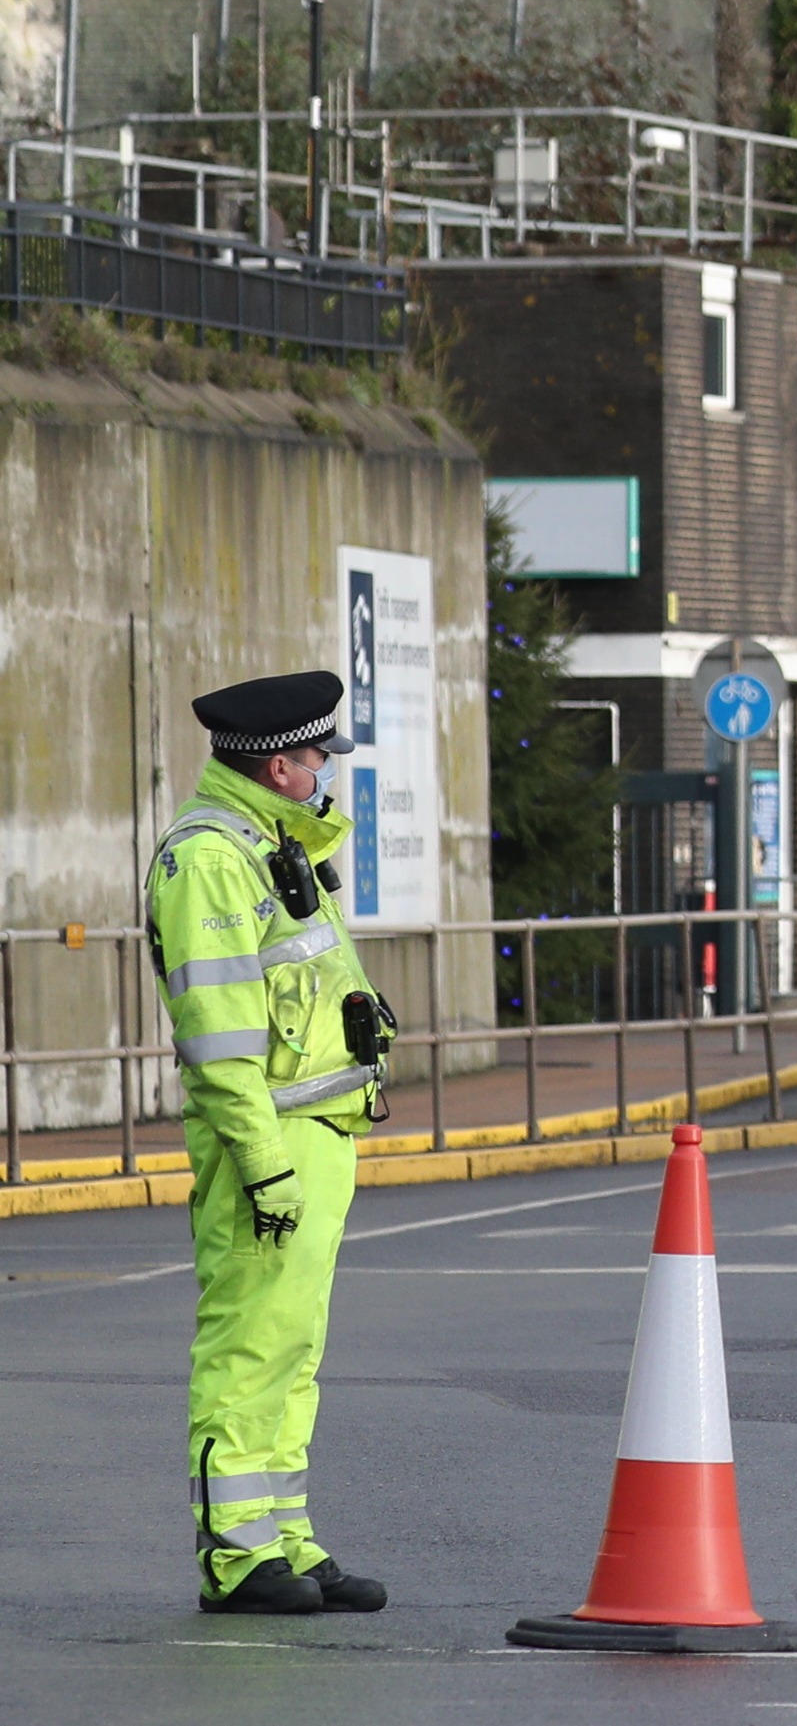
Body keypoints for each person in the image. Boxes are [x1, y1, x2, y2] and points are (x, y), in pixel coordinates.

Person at [154, 670, 391, 1615]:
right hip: (273, 1139)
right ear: (278, 762)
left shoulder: (267, 843)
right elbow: (218, 1040)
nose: (324, 773)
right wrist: (264, 1163)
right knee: (250, 1348)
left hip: (316, 1129)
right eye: (314, 758)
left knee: (292, 1350)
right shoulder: (211, 858)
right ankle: (238, 1557)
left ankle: (282, 1535)